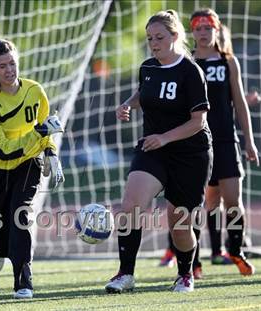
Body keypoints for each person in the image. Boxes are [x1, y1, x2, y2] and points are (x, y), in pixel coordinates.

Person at [105, 10, 213, 293]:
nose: (154, 43)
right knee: (130, 206)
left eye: (160, 37)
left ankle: (185, 273)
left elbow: (198, 122)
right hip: (154, 149)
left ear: (175, 37)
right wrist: (128, 103)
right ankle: (125, 274)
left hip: (190, 154)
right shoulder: (148, 67)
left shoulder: (191, 72)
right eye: (150, 38)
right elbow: (146, 91)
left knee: (179, 226)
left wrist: (165, 138)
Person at [0, 39, 65, 299]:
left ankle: (23, 283)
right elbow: (3, 149)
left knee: (21, 217)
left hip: (28, 164)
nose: (9, 70)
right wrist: (38, 133)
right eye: (2, 66)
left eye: (12, 63)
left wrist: (51, 152)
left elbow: (47, 126)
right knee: (2, 236)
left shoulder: (35, 91)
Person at [190, 8, 259, 275]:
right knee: (203, 202)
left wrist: (249, 141)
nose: (204, 33)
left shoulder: (228, 61)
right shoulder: (187, 62)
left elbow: (240, 104)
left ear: (217, 30)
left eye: (208, 28)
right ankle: (193, 260)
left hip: (226, 141)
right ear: (192, 32)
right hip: (196, 142)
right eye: (198, 28)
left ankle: (236, 250)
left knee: (233, 200)